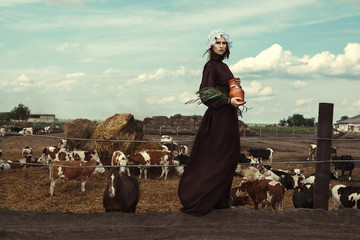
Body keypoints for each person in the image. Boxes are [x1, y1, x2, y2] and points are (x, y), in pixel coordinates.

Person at [178, 29, 245, 217]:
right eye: (218, 43)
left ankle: (220, 201)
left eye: (224, 43)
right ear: (211, 45)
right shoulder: (210, 66)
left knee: (229, 158)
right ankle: (201, 198)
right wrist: (226, 100)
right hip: (218, 118)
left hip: (228, 117)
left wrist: (233, 86)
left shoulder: (223, 66)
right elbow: (206, 93)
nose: (222, 46)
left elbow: (221, 88)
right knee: (218, 159)